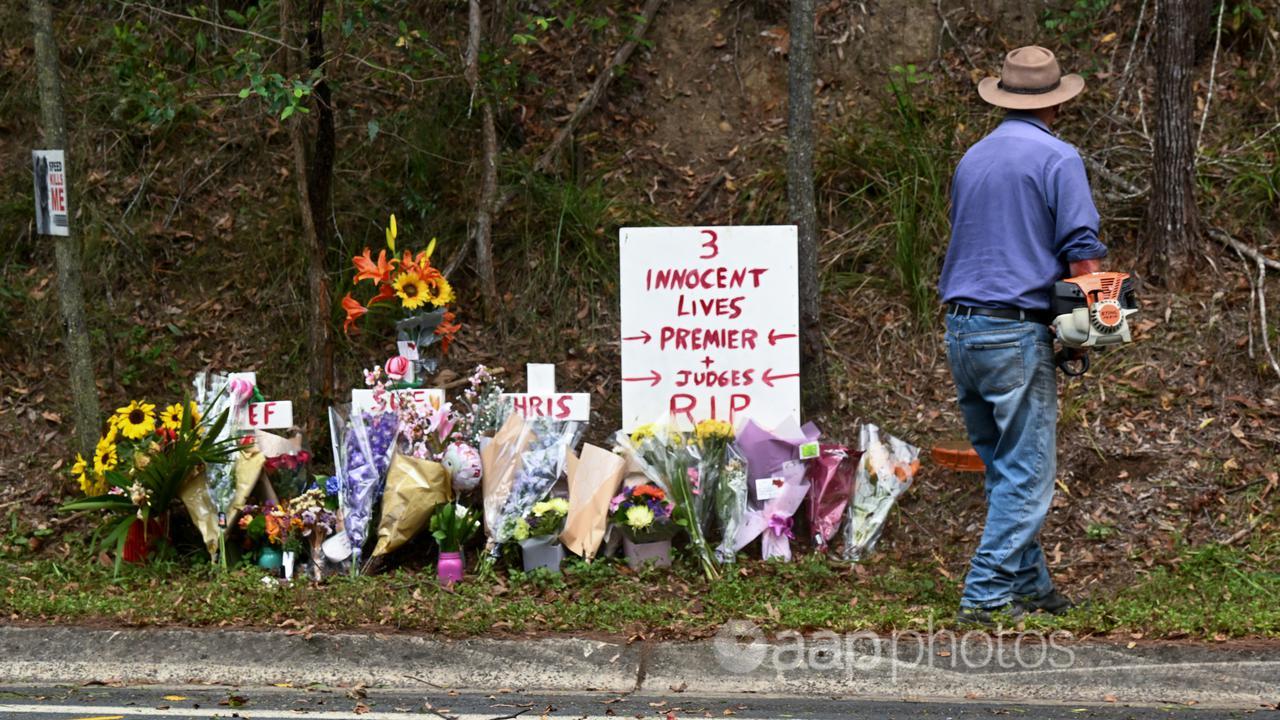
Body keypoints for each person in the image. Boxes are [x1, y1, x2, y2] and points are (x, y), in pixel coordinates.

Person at [938, 45, 1107, 626]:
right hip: (1014, 333)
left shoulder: (972, 158)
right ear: (1057, 103)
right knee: (1029, 476)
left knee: (1003, 467)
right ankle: (984, 595)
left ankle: (1033, 587)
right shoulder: (1059, 158)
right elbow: (1081, 251)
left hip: (962, 330)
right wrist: (1093, 327)